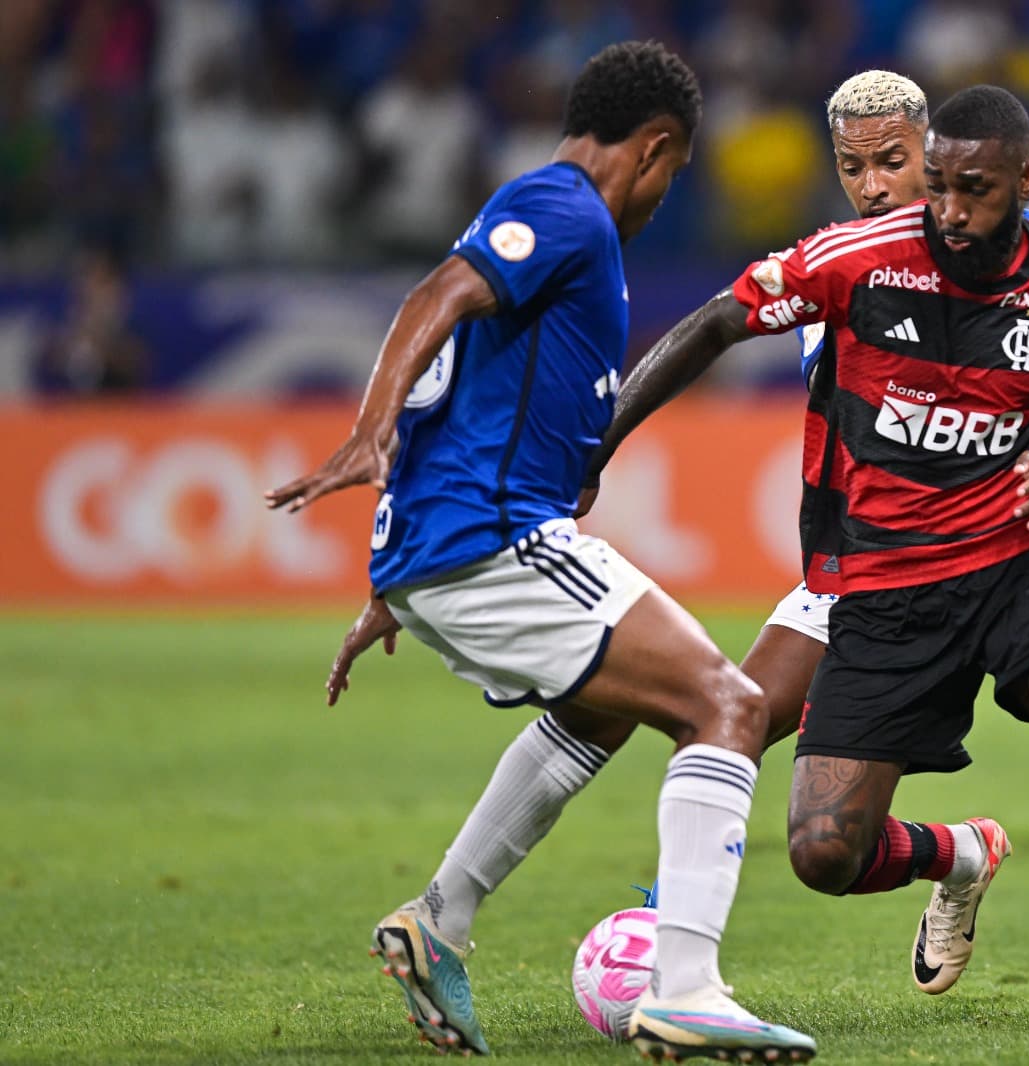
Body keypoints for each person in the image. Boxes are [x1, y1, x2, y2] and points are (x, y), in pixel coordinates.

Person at [329, 70, 1029, 1024]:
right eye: (853, 166)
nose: (876, 185)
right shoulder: (845, 258)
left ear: (938, 151)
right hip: (865, 570)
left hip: (1012, 546)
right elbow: (715, 325)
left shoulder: (1021, 243)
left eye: (893, 161)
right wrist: (599, 446)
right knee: (701, 717)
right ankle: (491, 911)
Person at [264, 42, 815, 1064]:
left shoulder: (544, 221)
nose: (665, 193)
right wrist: (367, 434)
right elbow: (434, 298)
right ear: (653, 148)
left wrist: (395, 579)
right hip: (492, 536)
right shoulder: (565, 209)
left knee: (605, 707)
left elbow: (461, 383)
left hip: (457, 538)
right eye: (674, 170)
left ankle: (439, 918)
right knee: (727, 705)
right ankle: (688, 990)